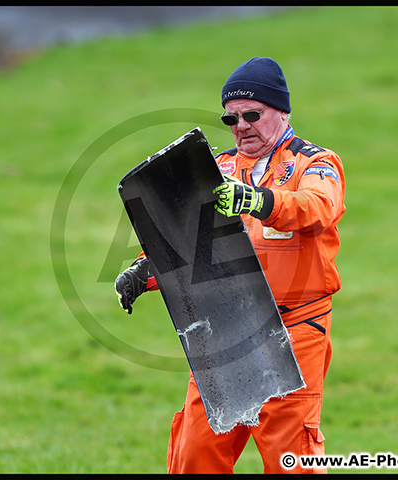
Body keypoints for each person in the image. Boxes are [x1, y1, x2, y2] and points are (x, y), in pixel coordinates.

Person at [115, 56, 345, 474]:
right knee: (195, 454)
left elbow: (318, 209)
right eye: (231, 118)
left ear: (281, 111)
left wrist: (259, 201)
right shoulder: (216, 168)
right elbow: (184, 238)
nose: (241, 126)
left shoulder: (317, 163)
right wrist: (145, 271)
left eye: (252, 115)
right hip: (223, 328)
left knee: (289, 456)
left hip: (296, 330)